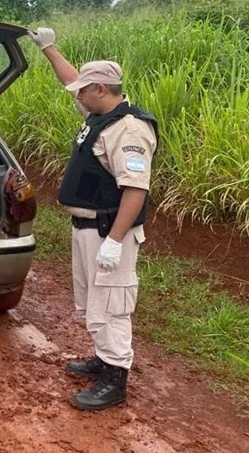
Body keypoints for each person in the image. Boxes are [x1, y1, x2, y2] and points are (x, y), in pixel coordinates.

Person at [29, 27, 158, 410]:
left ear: (100, 90)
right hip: (87, 229)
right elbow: (72, 79)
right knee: (92, 302)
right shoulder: (100, 113)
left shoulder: (129, 129)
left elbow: (136, 190)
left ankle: (115, 378)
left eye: (84, 90)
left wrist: (116, 242)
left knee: (113, 306)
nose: (77, 94)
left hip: (108, 232)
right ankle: (103, 359)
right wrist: (48, 48)